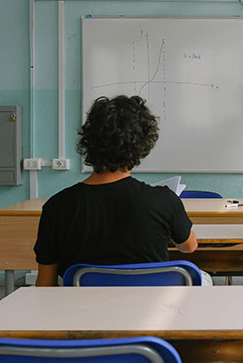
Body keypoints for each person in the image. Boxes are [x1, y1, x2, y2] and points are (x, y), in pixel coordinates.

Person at [34, 95, 199, 286]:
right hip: (150, 312)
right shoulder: (164, 201)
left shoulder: (57, 207)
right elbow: (189, 247)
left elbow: (45, 284)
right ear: (142, 146)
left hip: (81, 313)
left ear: (89, 141)